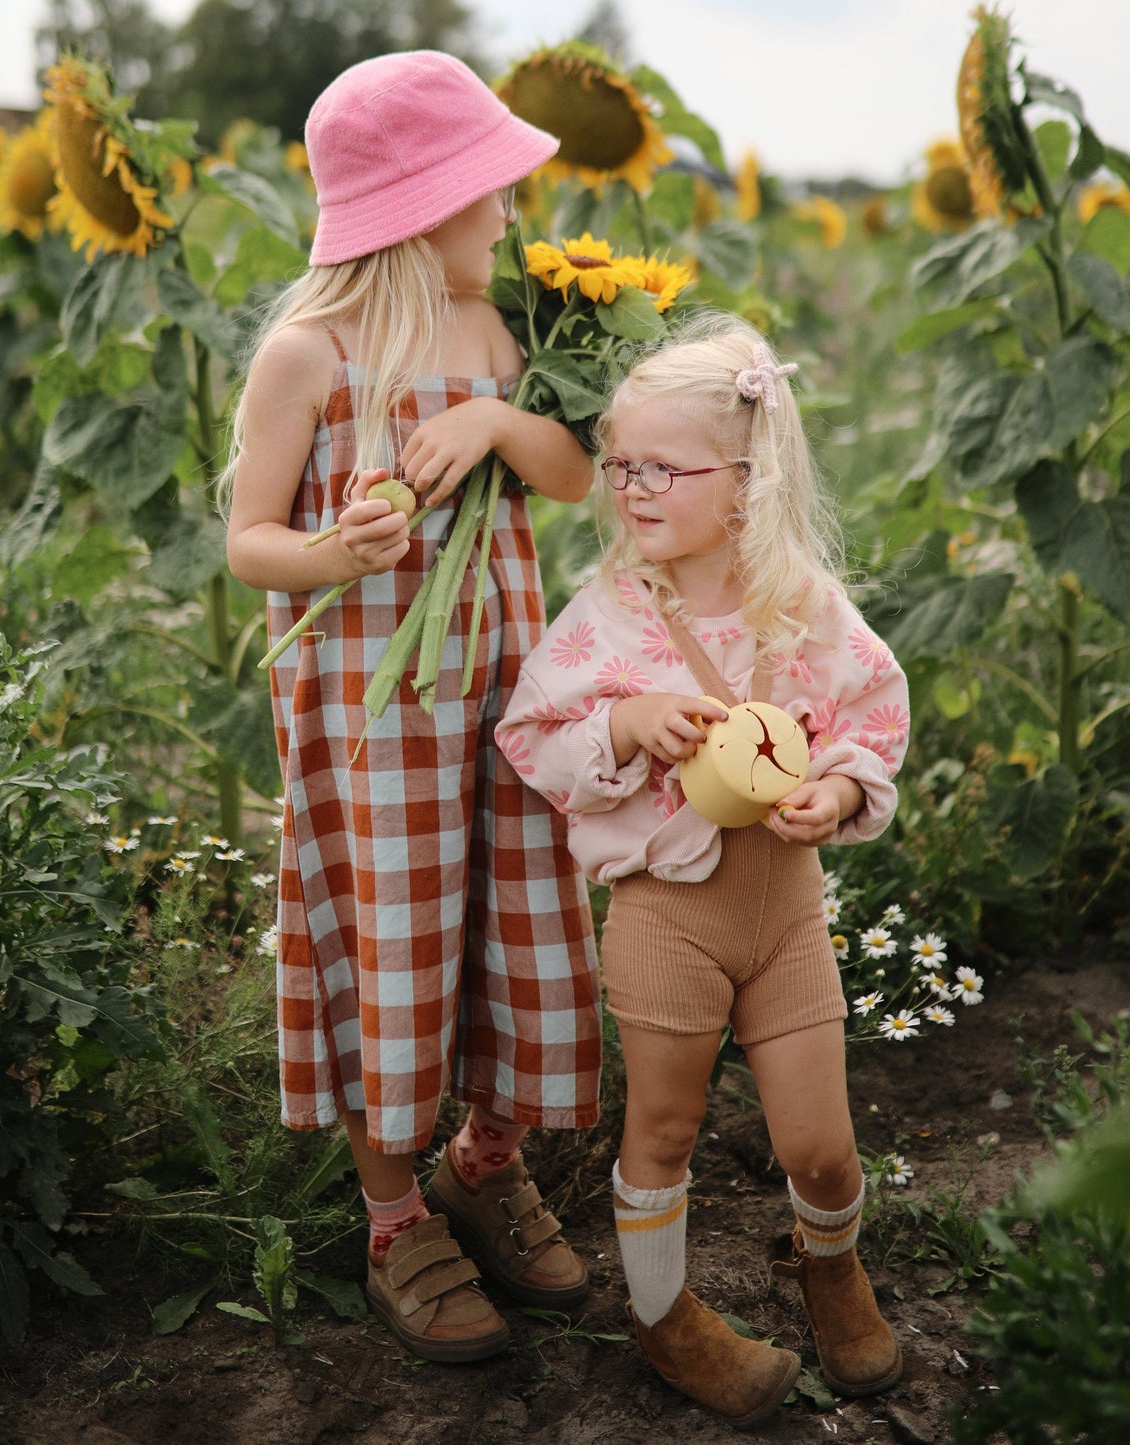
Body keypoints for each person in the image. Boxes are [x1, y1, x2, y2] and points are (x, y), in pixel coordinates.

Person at [220, 51, 602, 1364]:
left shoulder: (496, 334)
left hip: (500, 700)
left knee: (517, 935)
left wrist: (501, 415)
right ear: (418, 205)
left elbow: (568, 477)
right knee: (397, 954)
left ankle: (480, 1164)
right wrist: (339, 553)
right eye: (490, 189)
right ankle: (394, 1219)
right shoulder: (308, 354)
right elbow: (248, 539)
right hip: (372, 729)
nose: (508, 213)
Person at [495, 312, 910, 1425]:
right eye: (618, 464)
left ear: (743, 481)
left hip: (780, 910)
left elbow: (871, 715)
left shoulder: (803, 613)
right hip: (664, 913)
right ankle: (662, 1309)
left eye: (659, 468)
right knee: (665, 1128)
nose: (629, 488)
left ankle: (827, 1262)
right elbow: (531, 737)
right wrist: (624, 721)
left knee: (819, 1144)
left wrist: (836, 787)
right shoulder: (608, 619)